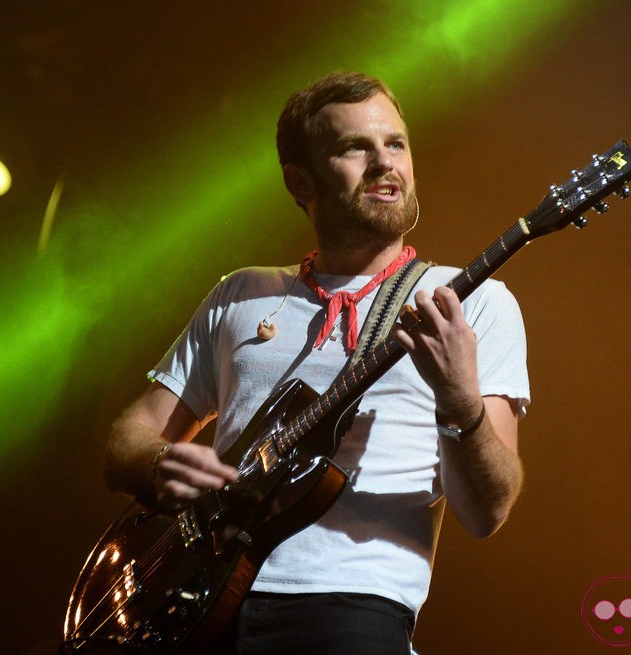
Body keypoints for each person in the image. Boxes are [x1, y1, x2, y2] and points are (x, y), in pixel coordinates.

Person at [103, 71, 529, 654]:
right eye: (356, 147)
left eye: (396, 144)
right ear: (299, 182)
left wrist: (458, 399)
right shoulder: (241, 293)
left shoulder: (467, 302)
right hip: (200, 604)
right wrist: (158, 466)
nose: (385, 163)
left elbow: (489, 511)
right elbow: (128, 438)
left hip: (354, 607)